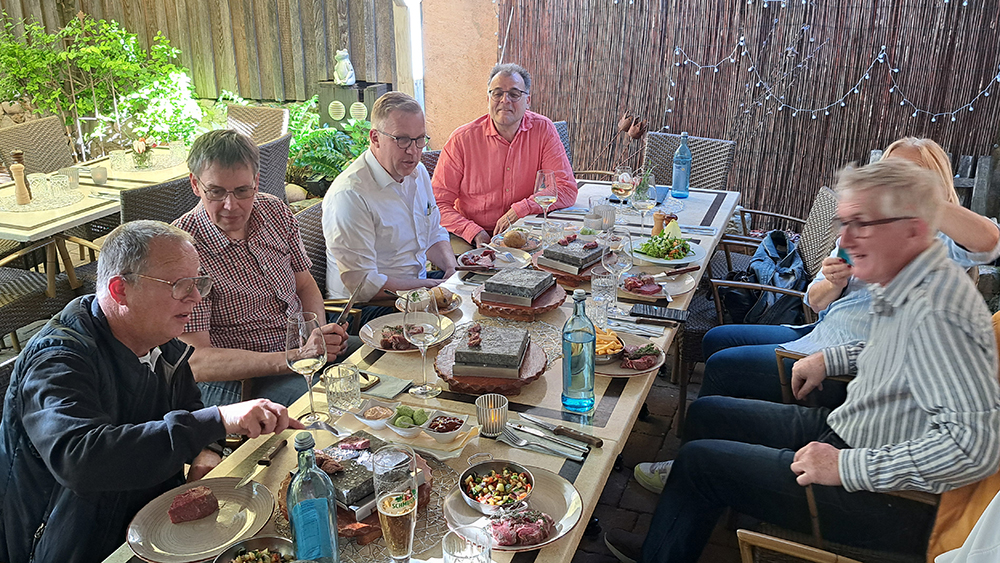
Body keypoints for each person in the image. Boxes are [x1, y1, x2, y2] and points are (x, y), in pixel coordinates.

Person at [604, 158, 1000, 563]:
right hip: (849, 429)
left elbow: (971, 448)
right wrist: (835, 356)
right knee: (707, 412)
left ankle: (666, 544)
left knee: (698, 464)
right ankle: (676, 530)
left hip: (891, 500)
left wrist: (846, 466)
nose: (851, 235)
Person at [0, 221, 302, 563]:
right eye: (178, 285)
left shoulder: (160, 341)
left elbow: (188, 406)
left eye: (198, 282)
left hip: (157, 528)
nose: (196, 296)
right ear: (120, 290)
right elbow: (81, 460)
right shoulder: (58, 358)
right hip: (76, 545)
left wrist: (206, 450)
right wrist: (218, 420)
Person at [174, 130, 353, 407]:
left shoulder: (275, 212)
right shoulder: (182, 250)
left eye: (243, 191)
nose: (231, 206)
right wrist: (293, 357)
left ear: (256, 183)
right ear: (195, 185)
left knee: (387, 366)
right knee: (338, 401)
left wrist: (314, 332)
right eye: (216, 191)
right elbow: (198, 361)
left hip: (301, 353)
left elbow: (304, 286)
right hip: (243, 380)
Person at [323, 91, 457, 322]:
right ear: (375, 138)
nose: (413, 151)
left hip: (414, 288)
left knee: (479, 291)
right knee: (446, 326)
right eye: (402, 139)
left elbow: (434, 233)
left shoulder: (418, 172)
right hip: (361, 308)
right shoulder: (351, 195)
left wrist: (451, 270)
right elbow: (364, 285)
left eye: (420, 139)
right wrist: (430, 286)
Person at [432, 63, 577, 248]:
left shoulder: (543, 129)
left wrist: (520, 209)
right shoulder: (462, 139)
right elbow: (436, 204)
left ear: (528, 100)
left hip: (525, 232)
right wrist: (472, 231)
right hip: (469, 236)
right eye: (497, 93)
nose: (505, 100)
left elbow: (565, 188)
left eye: (514, 94)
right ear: (488, 98)